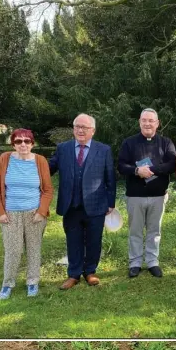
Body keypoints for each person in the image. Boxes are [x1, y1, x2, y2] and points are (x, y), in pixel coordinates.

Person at [49, 114, 116, 290]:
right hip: (70, 205)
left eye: (84, 127)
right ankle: (73, 275)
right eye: (77, 126)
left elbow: (110, 178)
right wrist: (28, 162)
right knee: (73, 240)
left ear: (92, 131)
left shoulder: (103, 150)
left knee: (94, 240)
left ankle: (90, 272)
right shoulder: (63, 148)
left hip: (96, 204)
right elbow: (49, 168)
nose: (80, 130)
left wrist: (111, 202)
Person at [0, 128, 53, 299]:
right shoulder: (5, 159)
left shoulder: (40, 161)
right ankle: (7, 283)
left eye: (27, 141)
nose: (23, 144)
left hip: (34, 214)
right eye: (18, 141)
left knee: (34, 248)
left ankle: (32, 282)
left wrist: (41, 212)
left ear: (32, 143)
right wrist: (0, 212)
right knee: (13, 250)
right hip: (10, 213)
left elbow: (47, 190)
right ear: (13, 144)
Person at [118, 108, 176, 278]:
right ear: (139, 122)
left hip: (158, 195)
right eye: (144, 120)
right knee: (135, 230)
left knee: (154, 230)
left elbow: (172, 164)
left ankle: (152, 261)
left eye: (151, 120)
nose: (147, 123)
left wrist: (151, 170)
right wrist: (137, 171)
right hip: (135, 195)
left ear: (157, 123)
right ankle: (135, 262)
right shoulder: (129, 143)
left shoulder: (166, 143)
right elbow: (121, 165)